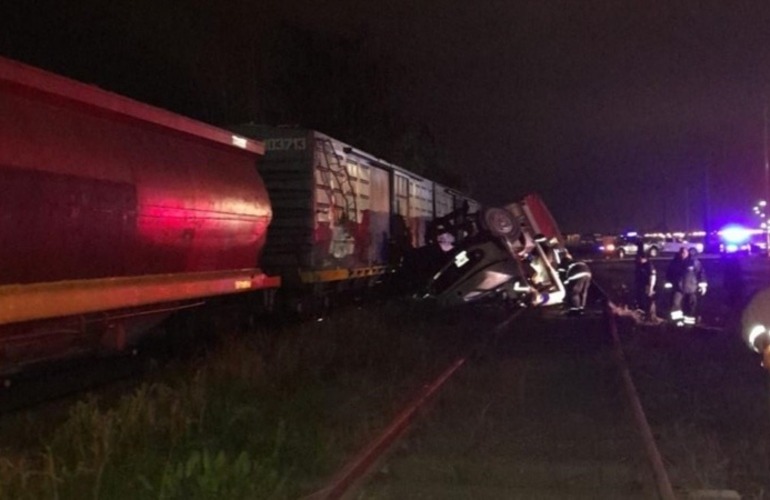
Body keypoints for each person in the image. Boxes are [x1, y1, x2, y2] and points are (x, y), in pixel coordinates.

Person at [665, 246, 707, 326]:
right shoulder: (674, 263)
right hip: (678, 288)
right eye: (681, 252)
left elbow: (701, 273)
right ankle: (677, 321)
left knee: (690, 306)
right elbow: (669, 274)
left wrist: (703, 285)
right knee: (675, 305)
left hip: (691, 288)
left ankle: (689, 323)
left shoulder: (694, 262)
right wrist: (669, 283)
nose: (682, 254)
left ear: (687, 253)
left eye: (684, 252)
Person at [559, 251, 592, 316]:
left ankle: (574, 310)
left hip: (576, 273)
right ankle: (581, 309)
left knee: (574, 292)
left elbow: (562, 274)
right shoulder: (575, 260)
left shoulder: (563, 261)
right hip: (588, 273)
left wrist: (565, 283)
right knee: (583, 292)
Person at [634, 250, 658, 322]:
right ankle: (643, 316)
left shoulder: (649, 265)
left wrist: (651, 289)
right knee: (641, 301)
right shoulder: (639, 265)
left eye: (639, 258)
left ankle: (651, 317)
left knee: (649, 302)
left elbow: (652, 277)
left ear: (644, 258)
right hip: (641, 286)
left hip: (648, 286)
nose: (637, 259)